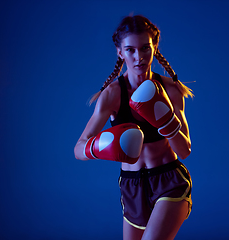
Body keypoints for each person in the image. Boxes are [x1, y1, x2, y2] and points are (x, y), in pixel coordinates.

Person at [74, 15, 193, 240]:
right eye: (130, 50)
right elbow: (78, 149)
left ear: (154, 48)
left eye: (145, 49)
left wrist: (166, 121)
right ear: (120, 52)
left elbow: (185, 150)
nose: (139, 57)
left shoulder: (171, 90)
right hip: (131, 187)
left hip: (169, 182)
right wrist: (97, 147)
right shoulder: (111, 95)